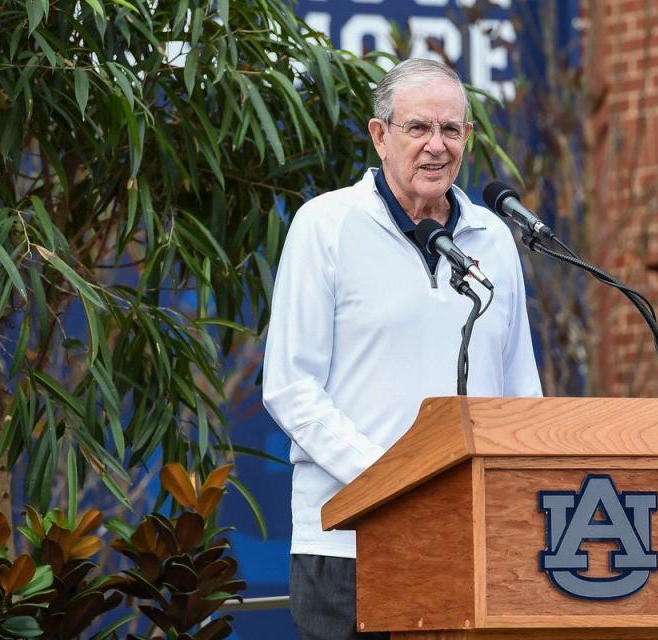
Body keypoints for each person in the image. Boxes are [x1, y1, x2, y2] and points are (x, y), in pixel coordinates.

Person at [262, 58, 542, 640]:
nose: (436, 146)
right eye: (418, 128)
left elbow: (521, 395)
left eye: (451, 130)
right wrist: (393, 481)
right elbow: (291, 387)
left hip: (470, 541)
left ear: (468, 138)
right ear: (380, 135)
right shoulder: (326, 225)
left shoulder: (494, 238)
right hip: (348, 544)